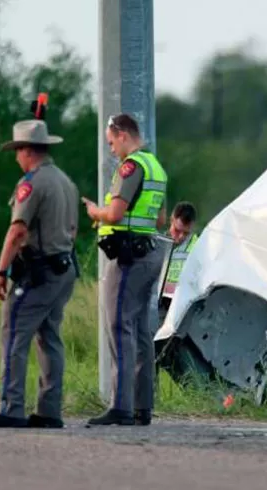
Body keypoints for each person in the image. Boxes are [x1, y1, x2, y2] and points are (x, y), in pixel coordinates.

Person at [0, 119, 79, 429]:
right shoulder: (66, 182)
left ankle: (11, 408)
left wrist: (1, 271)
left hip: (39, 273)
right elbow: (73, 230)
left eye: (17, 150)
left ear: (27, 151)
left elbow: (17, 230)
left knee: (13, 335)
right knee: (49, 338)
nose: (16, 158)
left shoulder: (32, 183)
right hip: (64, 269)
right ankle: (49, 411)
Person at [82, 113, 168, 426]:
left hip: (129, 258)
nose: (111, 150)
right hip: (150, 253)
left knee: (120, 327)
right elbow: (160, 219)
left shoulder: (131, 166)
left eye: (111, 143)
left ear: (122, 134)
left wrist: (95, 211)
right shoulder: (156, 167)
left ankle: (121, 406)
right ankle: (142, 407)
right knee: (141, 330)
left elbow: (116, 213)